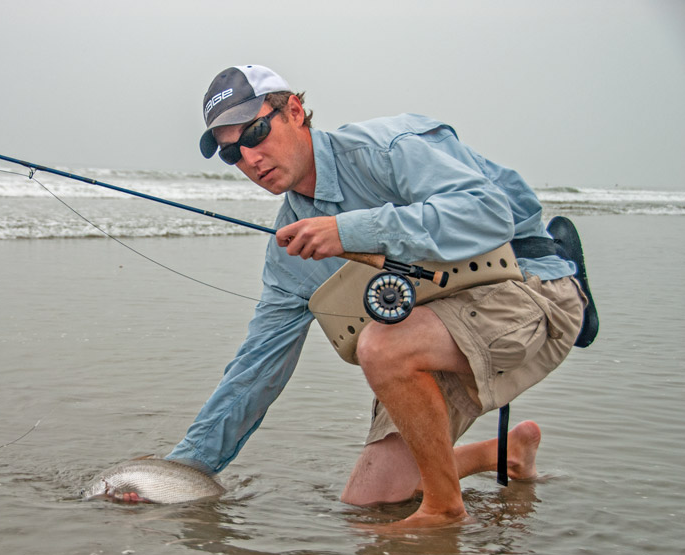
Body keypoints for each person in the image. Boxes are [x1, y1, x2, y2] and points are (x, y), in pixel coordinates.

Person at [166, 65, 587, 528]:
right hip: (434, 323)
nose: (249, 157)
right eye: (231, 153)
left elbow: (489, 213)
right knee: (369, 504)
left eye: (256, 132)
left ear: (295, 111)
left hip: (530, 286)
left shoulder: (390, 147)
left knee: (382, 347)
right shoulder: (290, 250)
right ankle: (504, 454)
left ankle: (445, 510)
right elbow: (255, 370)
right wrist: (181, 471)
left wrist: (352, 230)